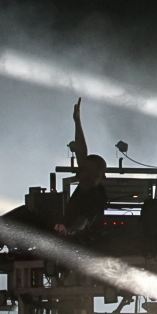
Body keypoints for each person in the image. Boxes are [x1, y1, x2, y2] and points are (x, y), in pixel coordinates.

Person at [56, 98, 108, 236]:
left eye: (86, 168)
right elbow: (81, 153)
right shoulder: (88, 189)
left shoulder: (95, 195)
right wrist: (77, 122)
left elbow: (84, 219)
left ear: (97, 172)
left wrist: (71, 231)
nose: (81, 169)